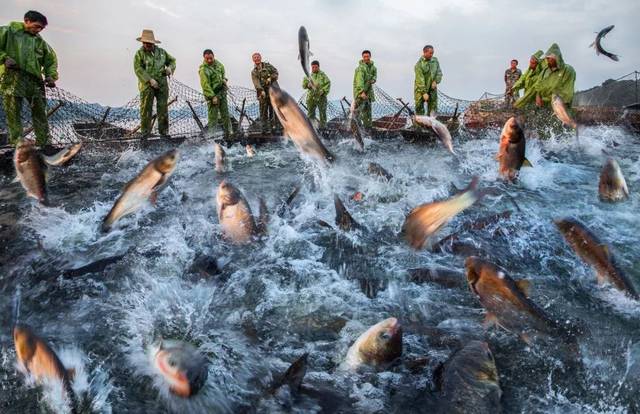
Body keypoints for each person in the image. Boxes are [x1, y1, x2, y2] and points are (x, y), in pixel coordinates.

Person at [0, 10, 58, 147]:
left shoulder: (39, 41)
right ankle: (17, 143)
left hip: (35, 82)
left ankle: (44, 142)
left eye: (41, 28)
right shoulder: (8, 32)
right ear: (27, 21)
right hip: (12, 79)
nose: (39, 30)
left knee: (40, 113)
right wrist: (4, 58)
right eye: (36, 26)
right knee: (13, 113)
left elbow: (50, 60)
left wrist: (50, 75)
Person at [133, 29, 176, 138]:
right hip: (147, 86)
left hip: (162, 84)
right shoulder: (139, 54)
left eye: (149, 42)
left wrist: (170, 68)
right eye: (145, 42)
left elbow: (172, 61)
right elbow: (138, 69)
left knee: (163, 109)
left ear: (153, 43)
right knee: (146, 110)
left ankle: (164, 133)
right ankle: (145, 135)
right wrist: (149, 80)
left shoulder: (162, 52)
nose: (146, 44)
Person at [199, 49, 231, 138]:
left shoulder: (219, 65)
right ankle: (212, 137)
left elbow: (223, 75)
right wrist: (212, 96)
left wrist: (224, 80)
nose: (209, 60)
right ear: (204, 58)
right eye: (207, 59)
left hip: (222, 94)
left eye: (211, 58)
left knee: (226, 115)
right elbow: (205, 85)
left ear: (213, 56)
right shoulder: (203, 70)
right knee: (213, 118)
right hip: (212, 96)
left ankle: (229, 134)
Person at [535, 43, 576, 108]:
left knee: (564, 117)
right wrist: (538, 96)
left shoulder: (568, 70)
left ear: (556, 57)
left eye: (549, 58)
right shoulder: (545, 71)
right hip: (543, 105)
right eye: (546, 58)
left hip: (560, 106)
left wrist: (559, 104)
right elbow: (538, 85)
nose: (547, 60)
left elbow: (568, 91)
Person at [251, 52, 279, 134]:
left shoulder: (267, 66)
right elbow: (256, 83)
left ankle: (275, 128)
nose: (256, 59)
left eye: (258, 57)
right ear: (253, 60)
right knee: (263, 111)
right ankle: (264, 129)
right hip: (262, 93)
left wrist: (270, 78)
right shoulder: (253, 72)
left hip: (272, 91)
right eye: (255, 58)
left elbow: (276, 73)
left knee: (273, 110)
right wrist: (261, 90)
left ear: (260, 58)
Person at [414, 45, 442, 116]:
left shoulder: (435, 61)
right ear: (424, 52)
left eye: (432, 53)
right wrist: (424, 92)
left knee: (433, 107)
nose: (432, 55)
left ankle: (431, 124)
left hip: (432, 89)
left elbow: (439, 73)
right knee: (419, 108)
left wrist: (436, 81)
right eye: (430, 53)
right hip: (420, 90)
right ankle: (419, 126)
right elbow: (420, 80)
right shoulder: (419, 65)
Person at [302, 60, 331, 128]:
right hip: (311, 97)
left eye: (316, 67)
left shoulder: (323, 75)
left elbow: (328, 83)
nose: (314, 69)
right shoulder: (308, 75)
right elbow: (303, 85)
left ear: (318, 67)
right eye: (313, 67)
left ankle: (323, 128)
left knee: (322, 113)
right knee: (310, 114)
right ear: (311, 67)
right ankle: (312, 127)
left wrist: (323, 91)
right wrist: (307, 85)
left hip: (321, 98)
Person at [353, 50, 377, 128]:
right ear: (362, 57)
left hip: (369, 93)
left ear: (370, 56)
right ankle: (357, 127)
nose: (366, 58)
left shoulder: (373, 68)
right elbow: (359, 81)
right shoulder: (360, 68)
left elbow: (374, 76)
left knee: (368, 112)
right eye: (364, 57)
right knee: (358, 112)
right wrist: (362, 92)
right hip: (360, 94)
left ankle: (368, 128)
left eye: (367, 56)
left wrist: (373, 79)